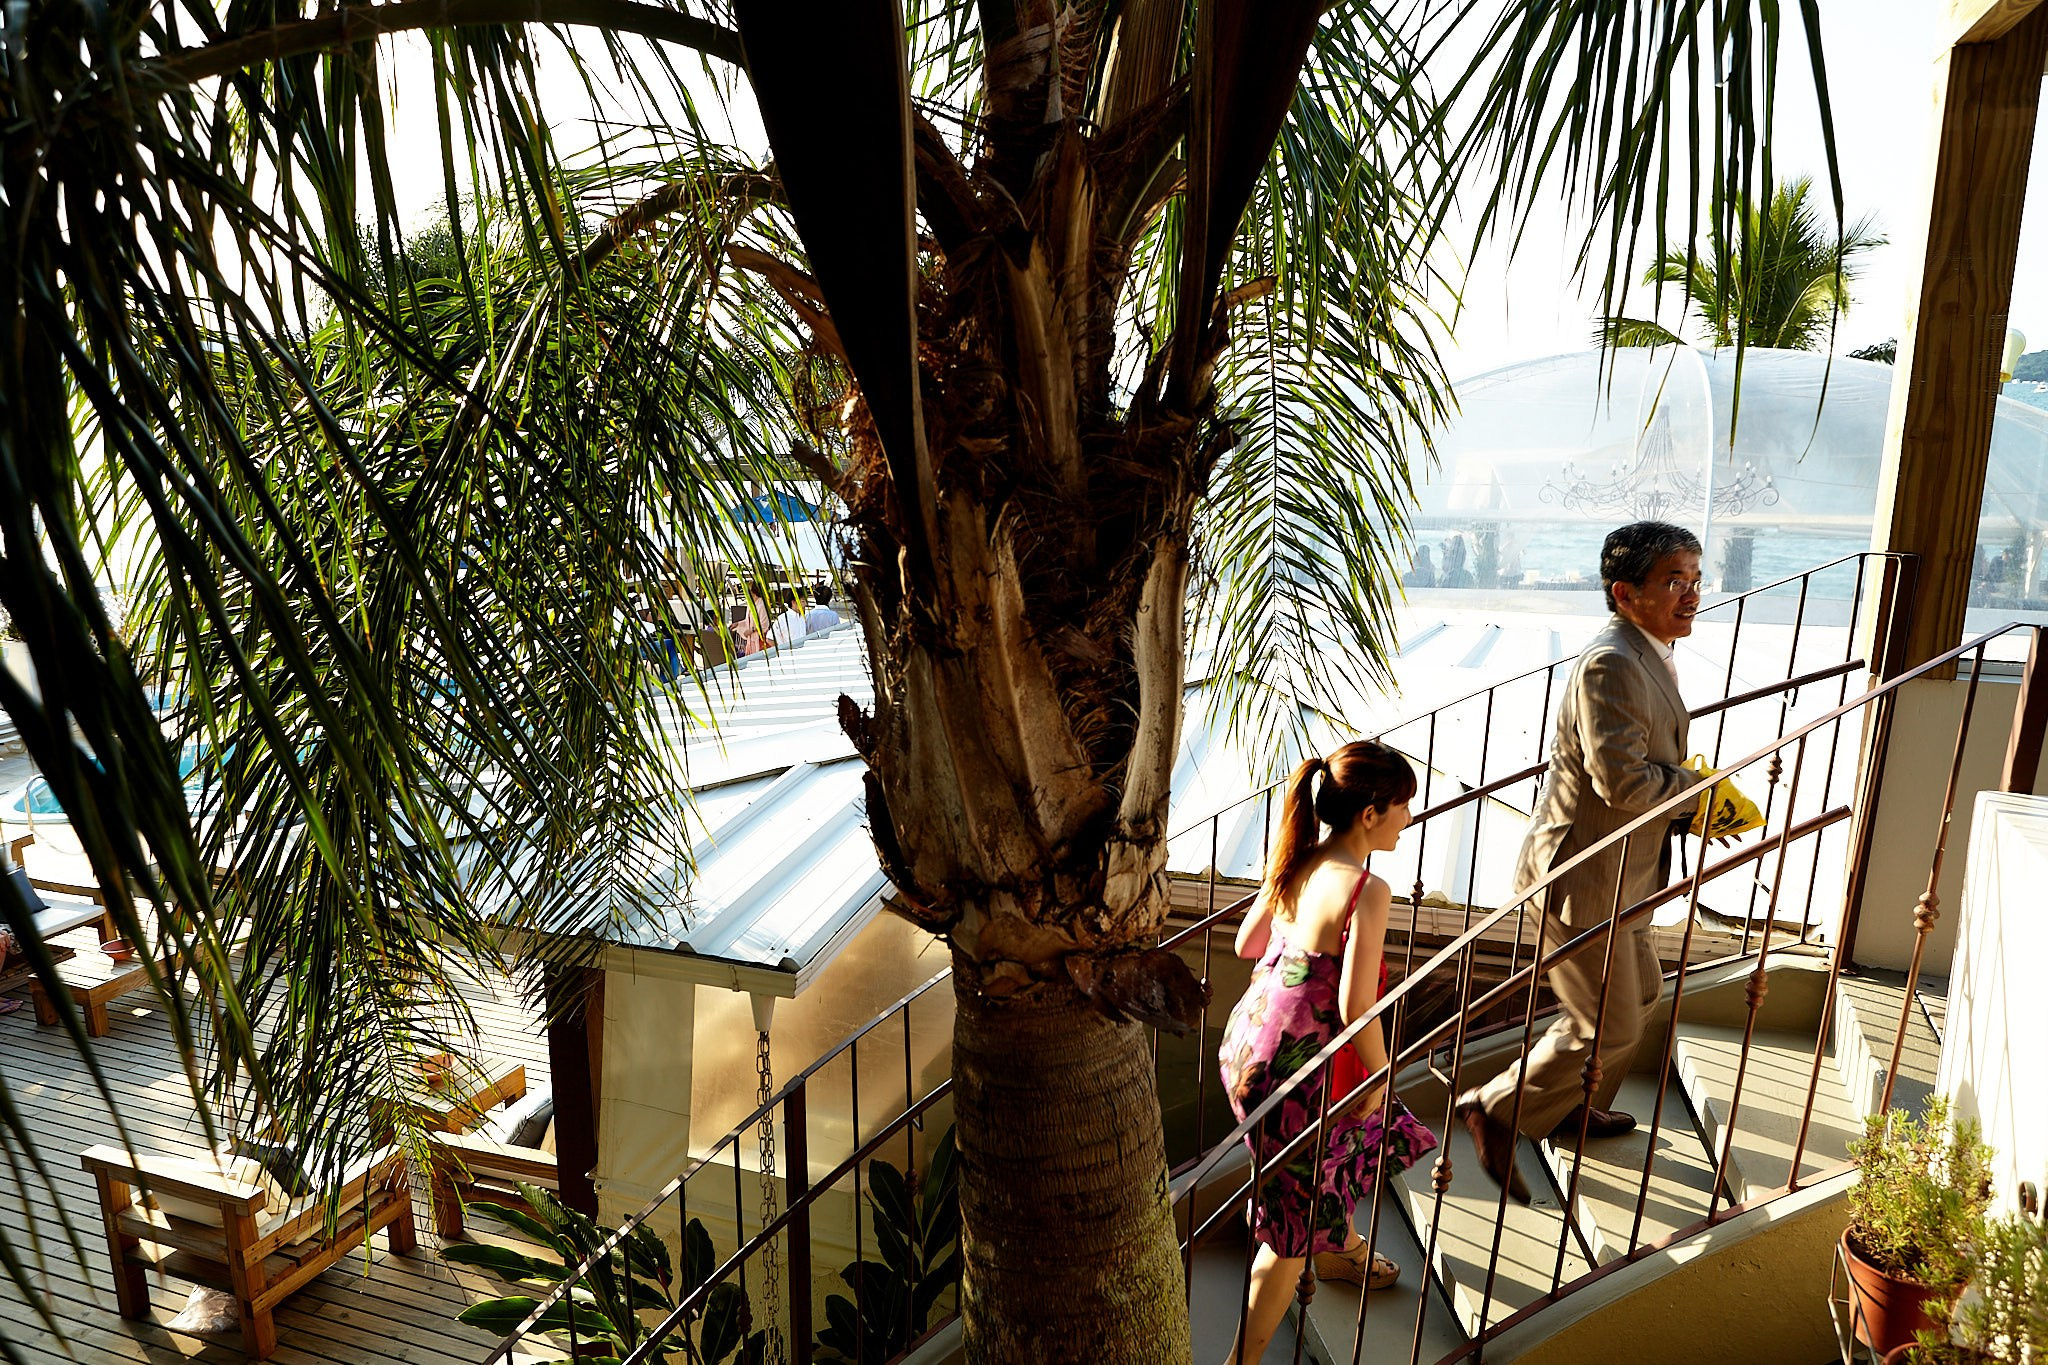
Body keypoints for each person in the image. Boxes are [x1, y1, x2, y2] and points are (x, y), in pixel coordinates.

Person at [1455, 521, 1706, 1202]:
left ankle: (1565, 1107)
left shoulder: (1648, 650)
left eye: (1694, 577)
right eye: (1673, 580)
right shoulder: (1612, 664)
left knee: (1645, 994)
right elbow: (1622, 784)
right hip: (1580, 877)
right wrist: (1700, 793)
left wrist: (1691, 796)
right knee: (1612, 1022)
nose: (1691, 593)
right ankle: (1496, 1106)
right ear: (1625, 593)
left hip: (1623, 875)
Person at [1218, 740, 1439, 1364]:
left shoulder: (1300, 857)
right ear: (1369, 814)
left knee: (1337, 1156)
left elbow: (1246, 944)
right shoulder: (1368, 888)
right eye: (1402, 808)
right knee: (1289, 1234)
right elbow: (1354, 1009)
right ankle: (1243, 1360)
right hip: (1301, 1076)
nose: (1407, 820)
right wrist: (1386, 1070)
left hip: (1250, 1049)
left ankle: (1336, 1245)